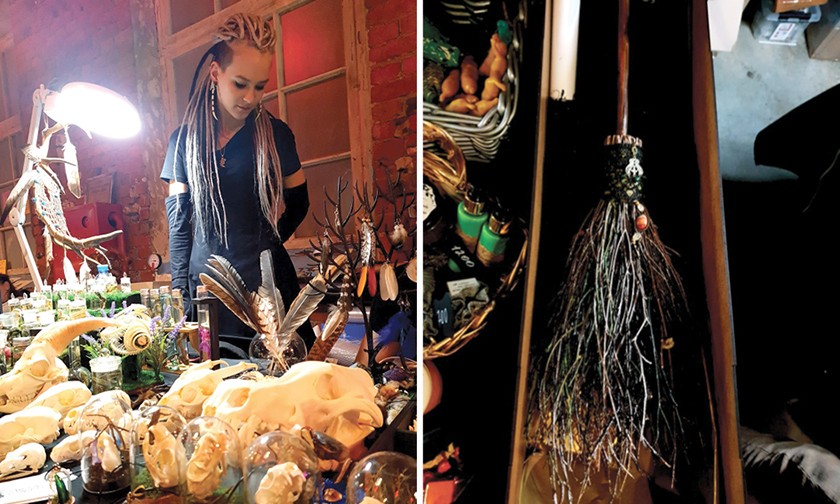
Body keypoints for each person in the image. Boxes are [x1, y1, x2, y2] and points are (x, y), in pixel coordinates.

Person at [161, 13, 314, 351]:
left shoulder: (276, 136)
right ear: (216, 73)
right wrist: (179, 294)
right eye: (240, 84)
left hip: (268, 290)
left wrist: (270, 240)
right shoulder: (183, 142)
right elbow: (179, 225)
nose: (250, 98)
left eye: (260, 86)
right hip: (207, 291)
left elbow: (300, 202)